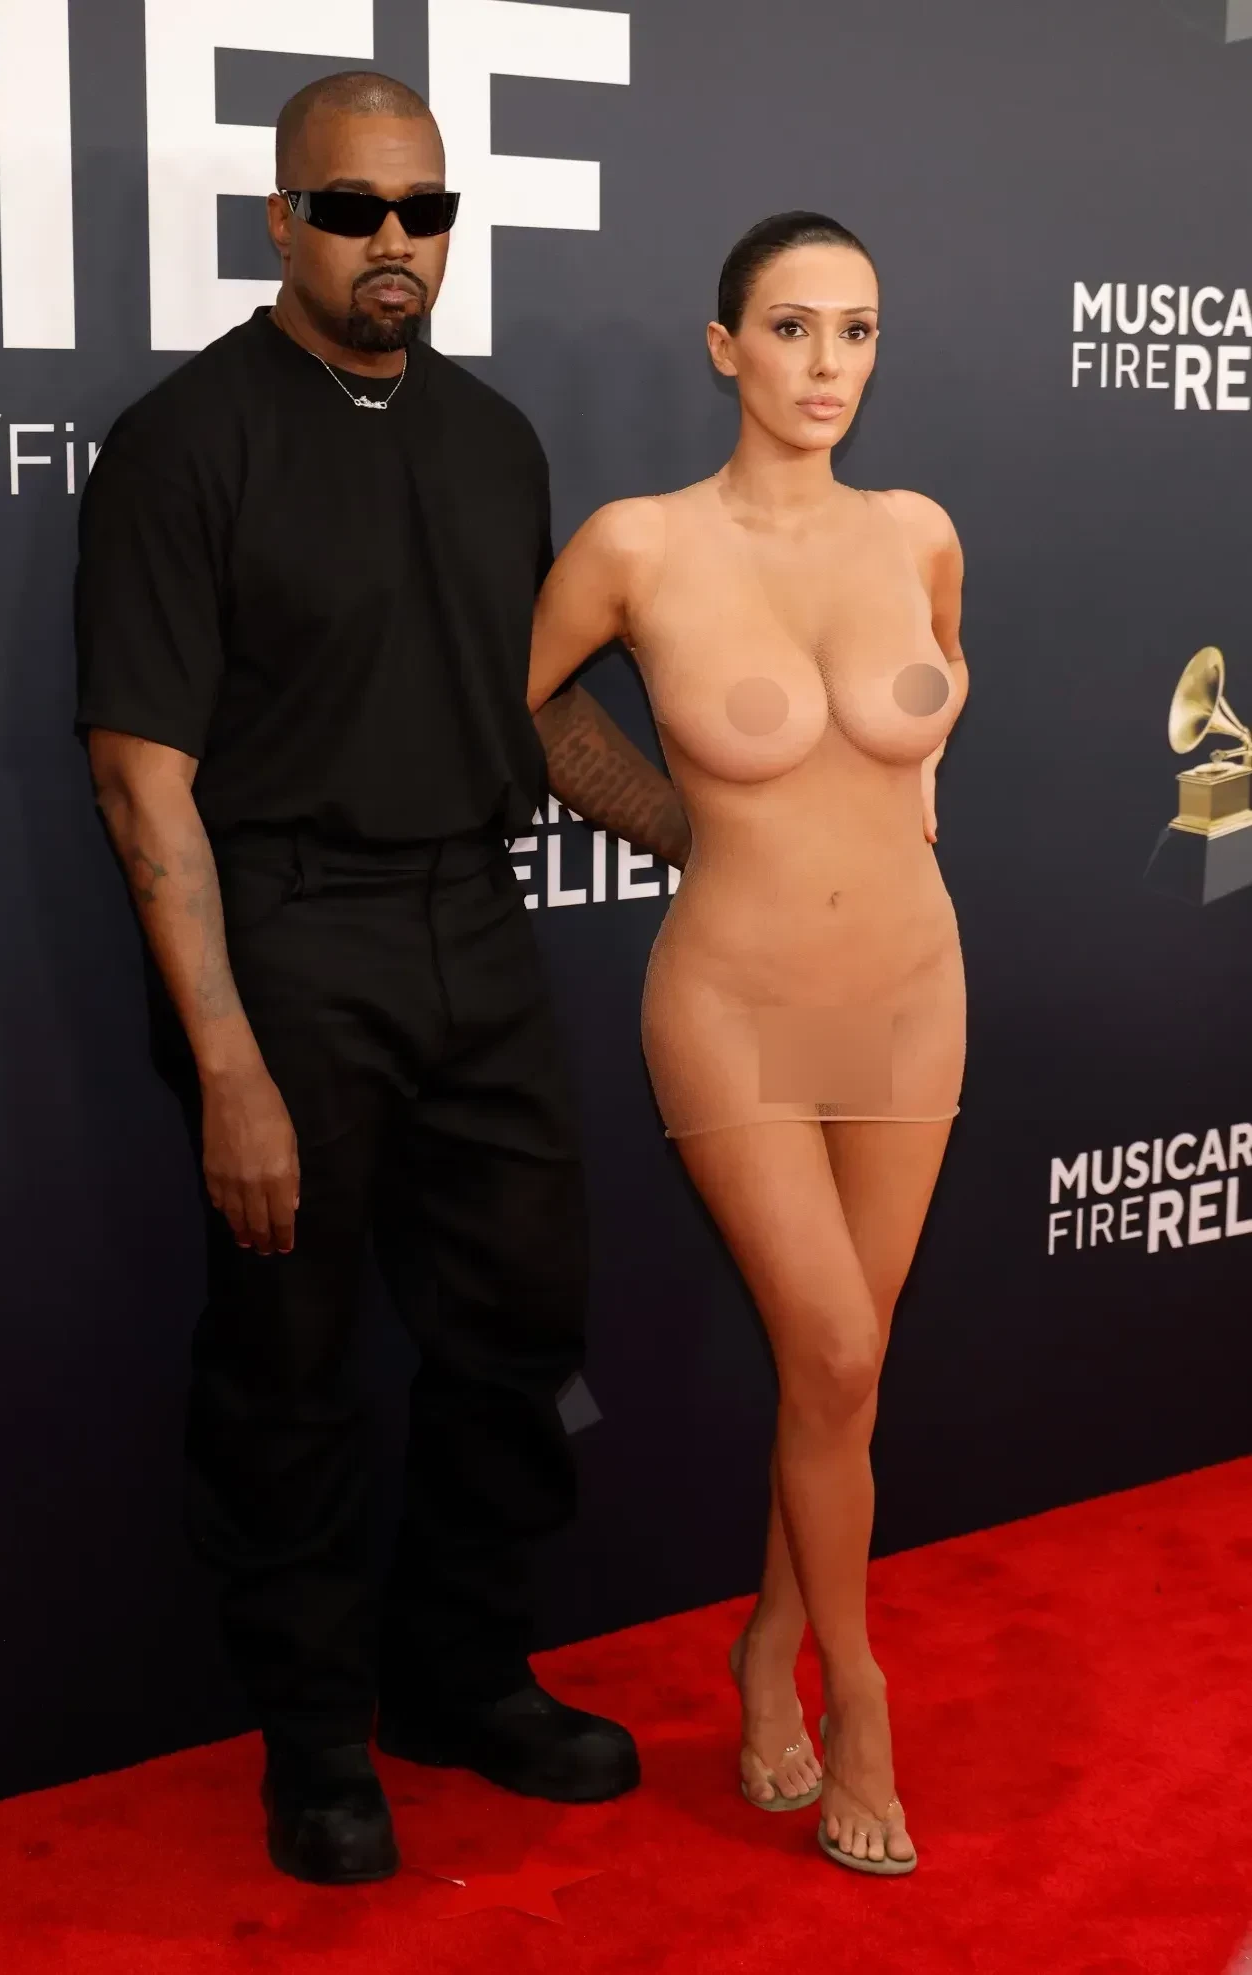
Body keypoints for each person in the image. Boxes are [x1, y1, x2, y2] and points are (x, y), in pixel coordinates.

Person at [73, 71, 651, 1886]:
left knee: (521, 1325)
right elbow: (140, 774)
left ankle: (459, 1675)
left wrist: (723, 834)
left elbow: (541, 717)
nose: (392, 241)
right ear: (282, 220)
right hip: (287, 933)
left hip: (476, 917)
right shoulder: (186, 441)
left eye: (424, 210)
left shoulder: (495, 443)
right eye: (351, 209)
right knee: (289, 1358)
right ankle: (316, 1735)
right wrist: (226, 1058)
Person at [528, 211, 968, 1876]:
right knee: (837, 1351)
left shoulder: (918, 529)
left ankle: (766, 1652)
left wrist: (912, 777)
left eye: (857, 330)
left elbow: (943, 667)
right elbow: (522, 698)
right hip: (732, 999)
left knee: (839, 1372)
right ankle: (859, 1693)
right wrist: (665, 817)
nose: (827, 363)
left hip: (913, 987)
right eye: (791, 329)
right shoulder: (640, 544)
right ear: (725, 348)